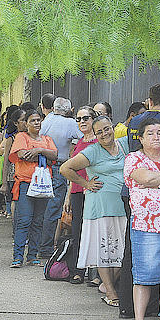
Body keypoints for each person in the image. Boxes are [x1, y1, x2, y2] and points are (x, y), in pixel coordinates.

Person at [60, 115, 128, 306]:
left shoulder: (124, 144)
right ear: (95, 135)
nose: (105, 134)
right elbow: (65, 169)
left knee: (124, 250)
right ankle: (111, 292)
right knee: (104, 249)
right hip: (100, 208)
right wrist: (85, 184)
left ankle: (107, 284)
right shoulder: (93, 151)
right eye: (99, 132)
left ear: (113, 127)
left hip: (122, 207)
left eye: (107, 129)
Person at [123, 118, 160, 320]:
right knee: (143, 275)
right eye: (150, 133)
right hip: (145, 225)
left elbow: (158, 180)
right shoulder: (133, 158)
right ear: (140, 138)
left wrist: (158, 181)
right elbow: (144, 177)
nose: (156, 137)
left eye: (159, 133)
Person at [8, 109, 58, 267]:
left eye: (38, 120)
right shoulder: (21, 137)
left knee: (38, 221)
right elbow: (21, 154)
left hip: (43, 185)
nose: (36, 123)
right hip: (26, 183)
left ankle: (32, 255)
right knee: (24, 220)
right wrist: (45, 155)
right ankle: (17, 256)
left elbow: (55, 156)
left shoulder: (47, 139)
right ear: (26, 124)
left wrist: (38, 150)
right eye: (32, 121)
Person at [38, 97, 83, 259]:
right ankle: (46, 247)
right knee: (53, 208)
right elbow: (84, 137)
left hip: (42, 166)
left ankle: (38, 245)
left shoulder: (46, 120)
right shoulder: (70, 123)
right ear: (70, 111)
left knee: (41, 207)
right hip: (59, 167)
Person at [63, 106, 98, 284]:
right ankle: (77, 270)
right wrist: (68, 196)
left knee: (94, 232)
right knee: (77, 232)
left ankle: (96, 275)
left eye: (86, 118)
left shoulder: (100, 142)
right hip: (77, 191)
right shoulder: (78, 144)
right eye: (78, 119)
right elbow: (70, 171)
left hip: (95, 192)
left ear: (94, 119)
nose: (82, 122)